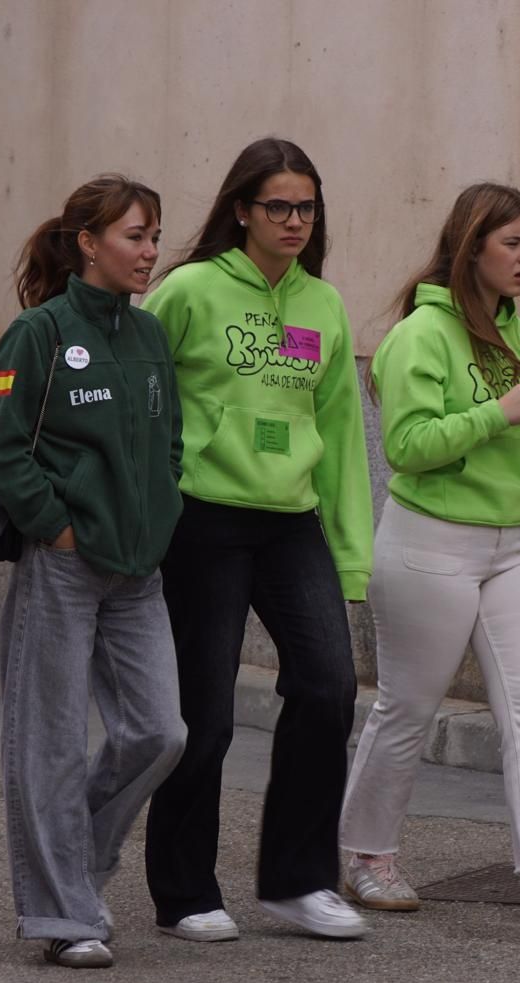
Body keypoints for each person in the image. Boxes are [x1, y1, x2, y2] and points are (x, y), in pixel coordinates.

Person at [338, 183, 520, 924]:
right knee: (407, 707)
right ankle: (366, 857)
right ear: (472, 247)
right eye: (514, 243)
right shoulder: (420, 336)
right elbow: (406, 448)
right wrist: (495, 412)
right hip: (429, 540)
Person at [141, 138, 373, 941]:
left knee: (329, 686)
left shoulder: (324, 305)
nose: (294, 221)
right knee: (203, 713)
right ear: (241, 208)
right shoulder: (190, 291)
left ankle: (297, 881)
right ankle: (183, 890)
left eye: (306, 207)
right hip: (202, 520)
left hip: (292, 520)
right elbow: (144, 399)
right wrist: (147, 510)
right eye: (277, 206)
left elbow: (340, 433)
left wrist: (350, 552)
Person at [0, 174, 188, 968]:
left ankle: (74, 862)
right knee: (51, 744)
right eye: (135, 236)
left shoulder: (147, 337)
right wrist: (57, 529)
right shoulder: (36, 334)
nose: (148, 252)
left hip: (139, 572)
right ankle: (64, 916)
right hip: (62, 569)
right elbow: (2, 450)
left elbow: (167, 439)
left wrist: (161, 505)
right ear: (88, 244)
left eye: (153, 236)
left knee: (160, 732)